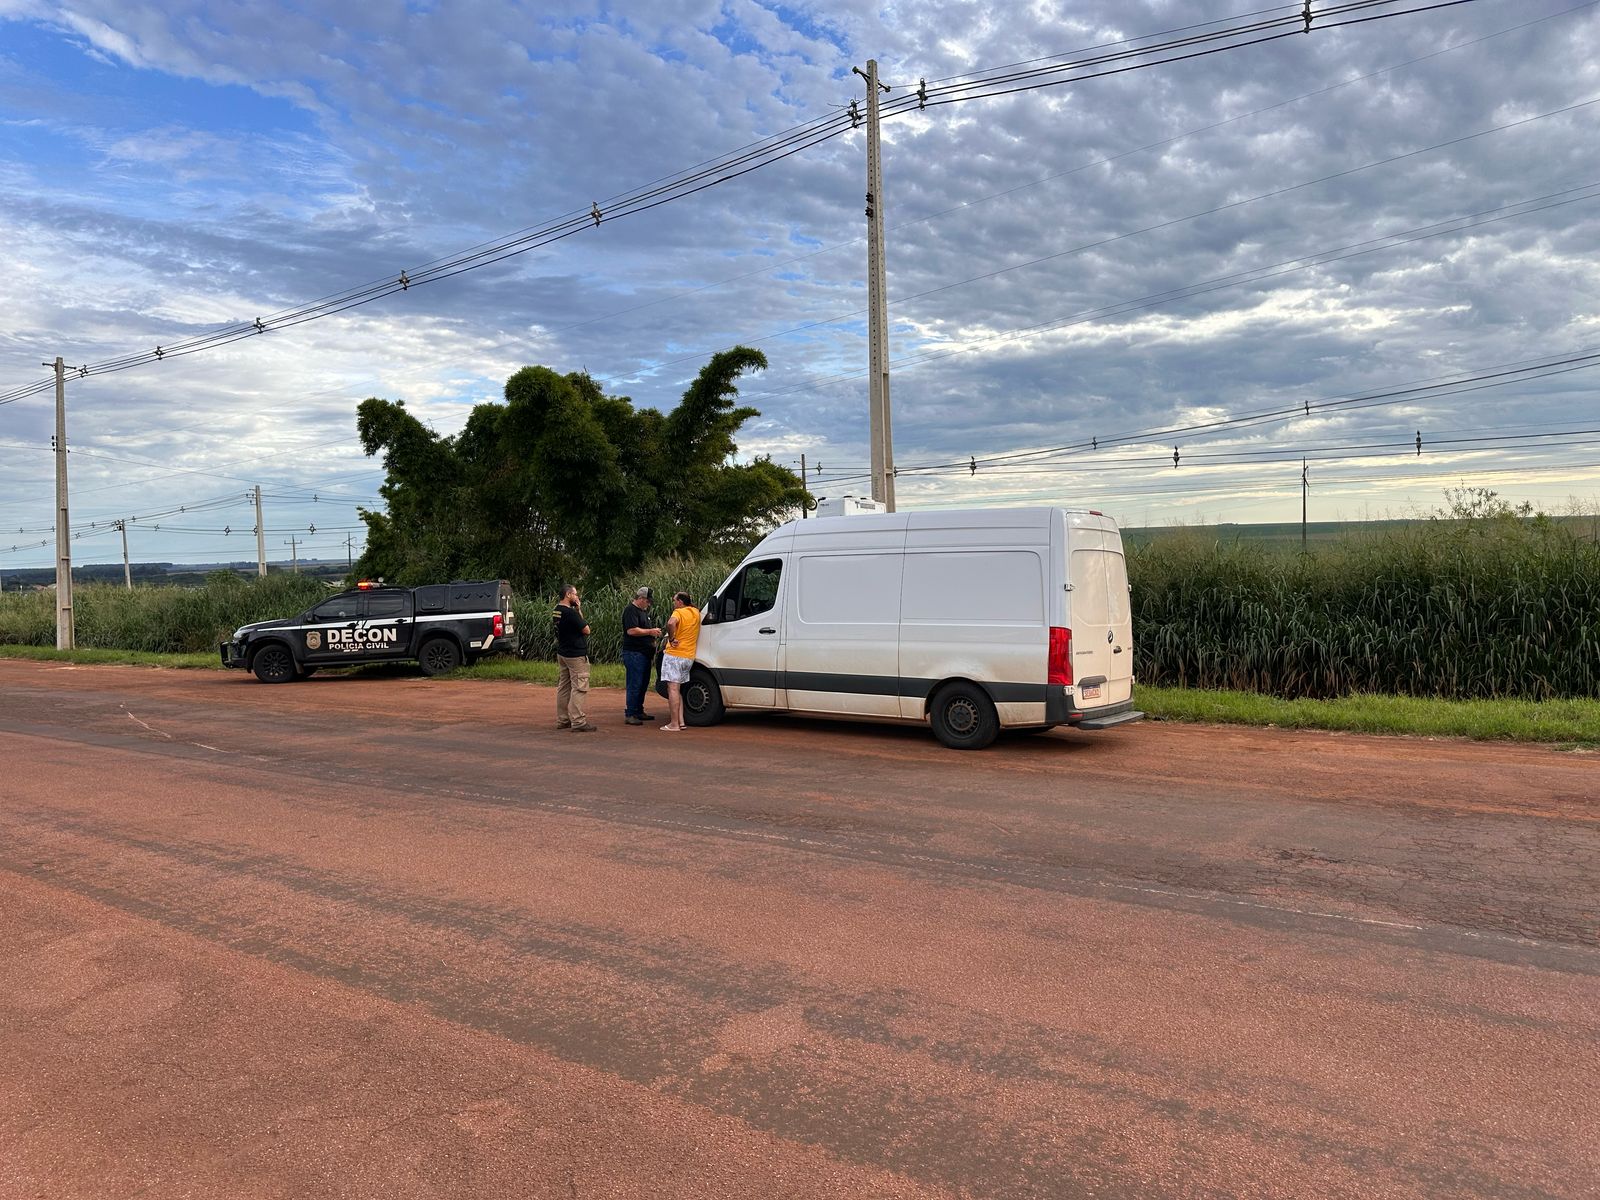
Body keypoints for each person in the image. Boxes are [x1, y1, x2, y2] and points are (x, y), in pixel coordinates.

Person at [553, 584, 596, 732]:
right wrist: (578, 611)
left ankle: (562, 719)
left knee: (564, 687)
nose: (577, 597)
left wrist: (577, 610)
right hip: (575, 654)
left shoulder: (557, 611)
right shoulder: (570, 613)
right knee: (579, 686)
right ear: (568, 595)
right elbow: (586, 630)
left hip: (563, 652)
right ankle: (578, 721)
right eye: (575, 594)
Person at [620, 586, 662, 726]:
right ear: (641, 599)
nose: (649, 604)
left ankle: (638, 710)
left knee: (643, 684)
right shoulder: (630, 611)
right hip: (634, 653)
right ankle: (630, 713)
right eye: (647, 601)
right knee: (635, 683)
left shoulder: (643, 612)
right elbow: (631, 631)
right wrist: (650, 631)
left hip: (644, 654)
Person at [660, 591, 700, 732]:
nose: (673, 603)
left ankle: (674, 724)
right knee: (678, 690)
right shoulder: (695, 612)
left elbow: (671, 623)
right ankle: (681, 722)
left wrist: (671, 639)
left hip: (675, 655)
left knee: (672, 689)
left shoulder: (678, 612)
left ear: (680, 602)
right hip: (688, 656)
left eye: (674, 600)